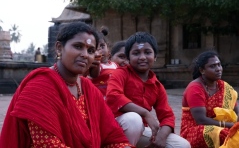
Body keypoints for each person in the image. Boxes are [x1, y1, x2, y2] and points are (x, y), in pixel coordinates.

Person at [0, 21, 134, 148]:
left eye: (91, 50)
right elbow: (47, 144)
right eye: (78, 46)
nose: (85, 55)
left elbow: (113, 136)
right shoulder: (39, 86)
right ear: (59, 48)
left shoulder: (89, 89)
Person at [106, 32, 191, 148]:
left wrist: (161, 138)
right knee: (133, 119)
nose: (142, 57)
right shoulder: (120, 74)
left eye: (147, 52)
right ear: (128, 57)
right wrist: (145, 113)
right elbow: (113, 95)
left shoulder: (157, 85)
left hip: (139, 130)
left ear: (155, 57)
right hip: (114, 128)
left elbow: (167, 116)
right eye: (136, 53)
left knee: (182, 145)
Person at [180, 50, 239, 148]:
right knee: (223, 134)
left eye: (219, 65)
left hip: (224, 126)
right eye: (213, 66)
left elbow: (236, 113)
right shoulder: (195, 88)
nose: (218, 69)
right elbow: (201, 120)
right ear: (202, 70)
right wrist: (231, 126)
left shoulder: (225, 87)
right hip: (195, 130)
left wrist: (236, 126)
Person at [89, 26, 118, 97]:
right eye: (95, 48)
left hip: (113, 97)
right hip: (100, 98)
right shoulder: (95, 65)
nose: (99, 50)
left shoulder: (115, 65)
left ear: (108, 48)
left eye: (102, 46)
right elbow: (94, 75)